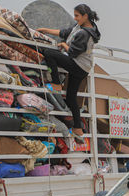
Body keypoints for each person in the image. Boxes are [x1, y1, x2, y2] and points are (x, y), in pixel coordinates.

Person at [37, 4, 100, 140]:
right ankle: (78, 128)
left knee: (49, 54)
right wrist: (45, 30)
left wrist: (63, 45)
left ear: (85, 16)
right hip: (84, 68)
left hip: (78, 65)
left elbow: (71, 53)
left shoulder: (84, 33)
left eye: (77, 15)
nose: (75, 18)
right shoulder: (84, 27)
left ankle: (56, 83)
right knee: (71, 97)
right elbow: (64, 32)